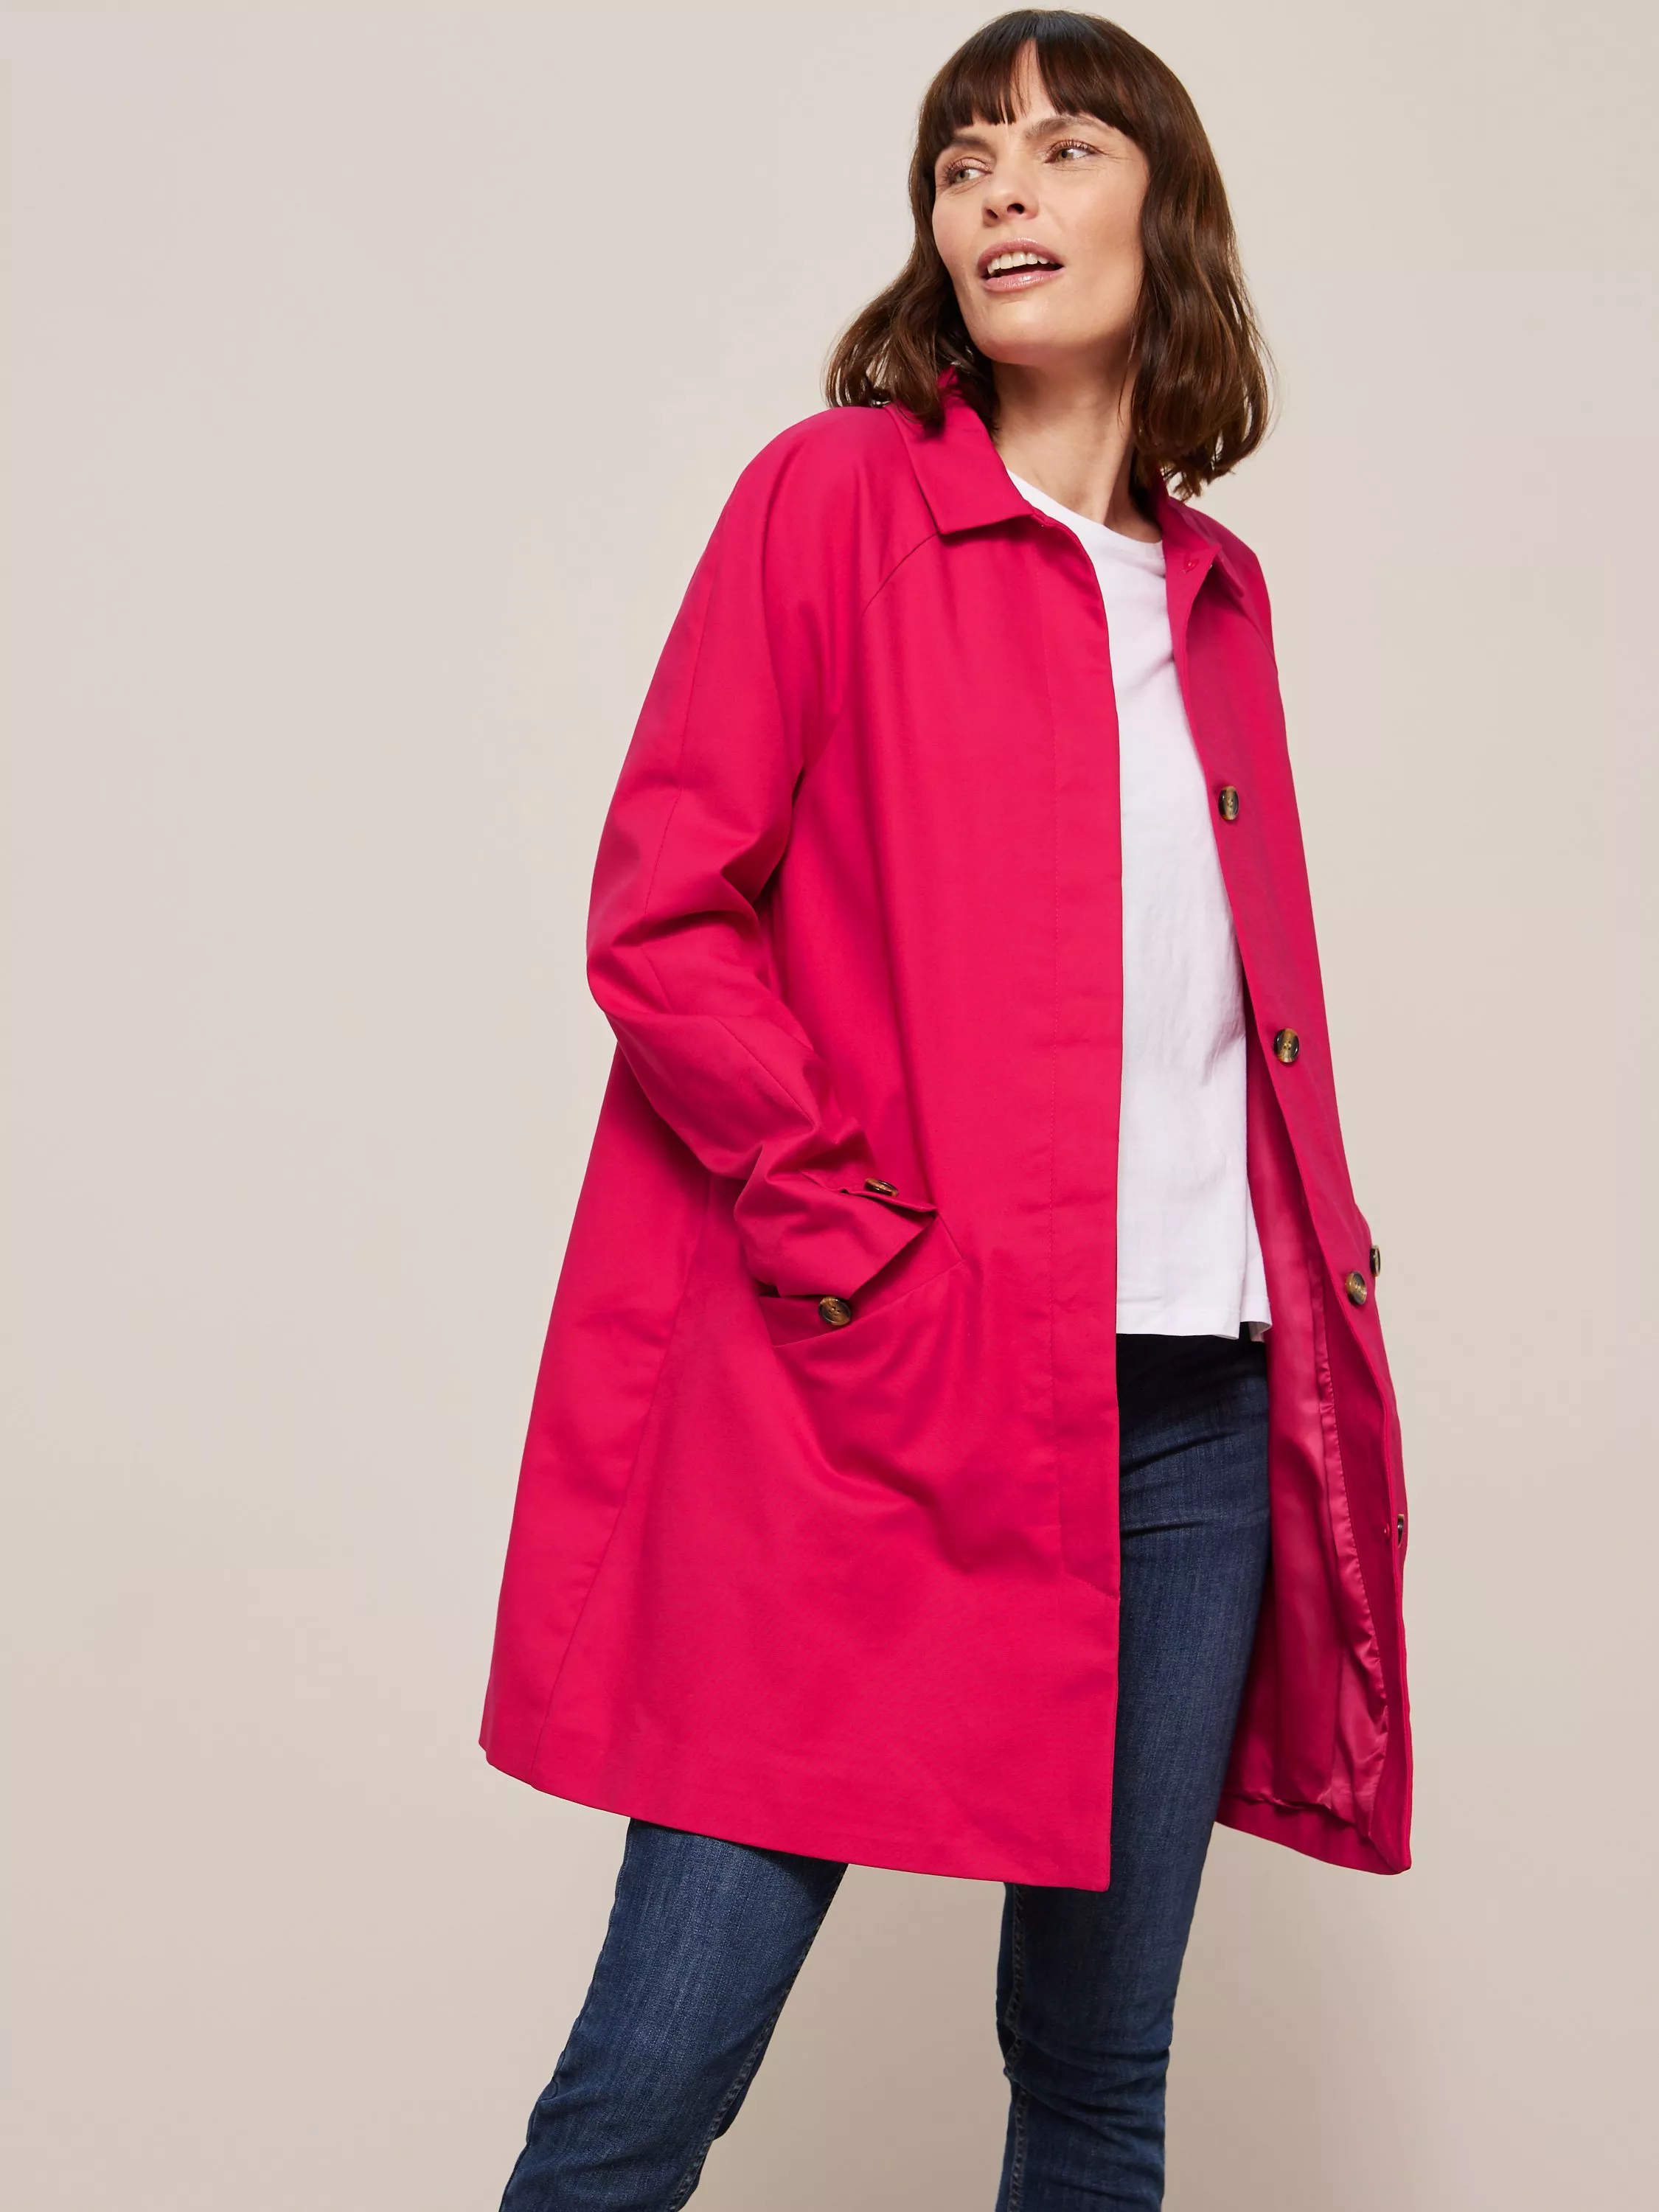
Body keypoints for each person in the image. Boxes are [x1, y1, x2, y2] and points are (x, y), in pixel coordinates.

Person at [483, 10, 1412, 2207]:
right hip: (881, 1391)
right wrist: (845, 1239)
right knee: (656, 2071)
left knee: (1098, 2076)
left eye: (1064, 147)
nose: (1002, 186)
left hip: (1188, 1417)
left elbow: (1218, 1026)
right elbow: (663, 911)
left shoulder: (1219, 601)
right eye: (965, 156)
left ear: (1167, 217)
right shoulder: (835, 502)